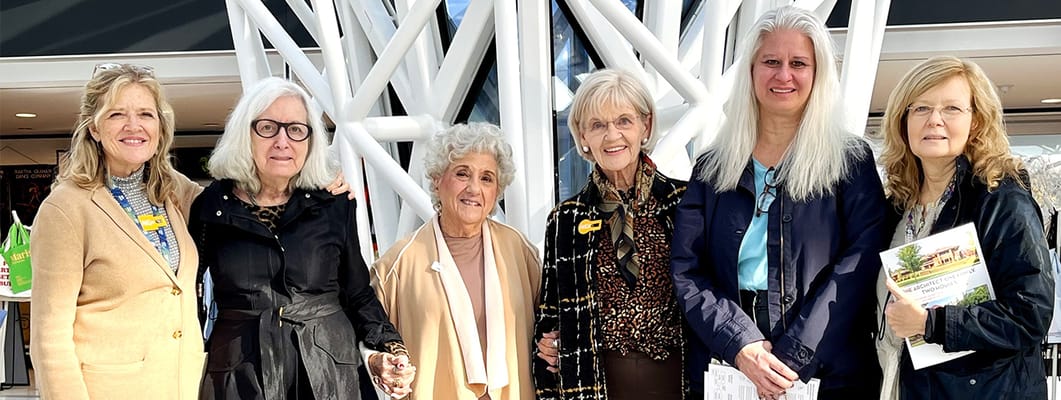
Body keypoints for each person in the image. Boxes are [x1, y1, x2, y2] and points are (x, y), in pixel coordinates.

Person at [670, 6, 886, 399]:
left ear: (818, 74)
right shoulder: (712, 169)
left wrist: (794, 353)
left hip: (827, 369)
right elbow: (688, 269)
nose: (783, 75)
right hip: (732, 365)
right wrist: (740, 344)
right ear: (751, 71)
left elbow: (862, 260)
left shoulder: (849, 161)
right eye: (771, 61)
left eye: (798, 63)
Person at [192, 77, 414, 399]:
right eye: (268, 127)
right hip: (241, 375)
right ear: (245, 134)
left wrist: (386, 347)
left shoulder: (333, 203)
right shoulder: (210, 206)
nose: (283, 141)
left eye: (296, 129)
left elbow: (356, 292)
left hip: (329, 371)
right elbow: (187, 293)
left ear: (310, 141)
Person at [878, 56, 1054, 400]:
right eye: (921, 108)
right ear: (903, 121)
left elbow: (1030, 314)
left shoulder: (1001, 200)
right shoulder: (895, 207)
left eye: (952, 109)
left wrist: (932, 324)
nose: (934, 120)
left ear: (976, 122)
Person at [29, 63, 207, 399]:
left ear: (160, 127)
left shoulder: (172, 192)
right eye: (116, 115)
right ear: (94, 128)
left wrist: (318, 181)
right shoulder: (65, 209)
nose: (133, 126)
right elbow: (49, 335)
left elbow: (247, 198)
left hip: (179, 387)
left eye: (145, 114)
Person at [531, 69, 688, 399]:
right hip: (597, 387)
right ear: (582, 136)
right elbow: (550, 317)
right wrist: (547, 344)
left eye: (624, 121)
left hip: (680, 383)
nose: (612, 135)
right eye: (598, 125)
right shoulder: (565, 220)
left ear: (645, 126)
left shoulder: (686, 203)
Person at [371, 122, 541, 400]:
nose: (475, 188)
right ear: (438, 179)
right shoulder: (397, 265)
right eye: (463, 173)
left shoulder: (519, 250)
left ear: (497, 189)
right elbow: (369, 345)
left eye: (487, 178)